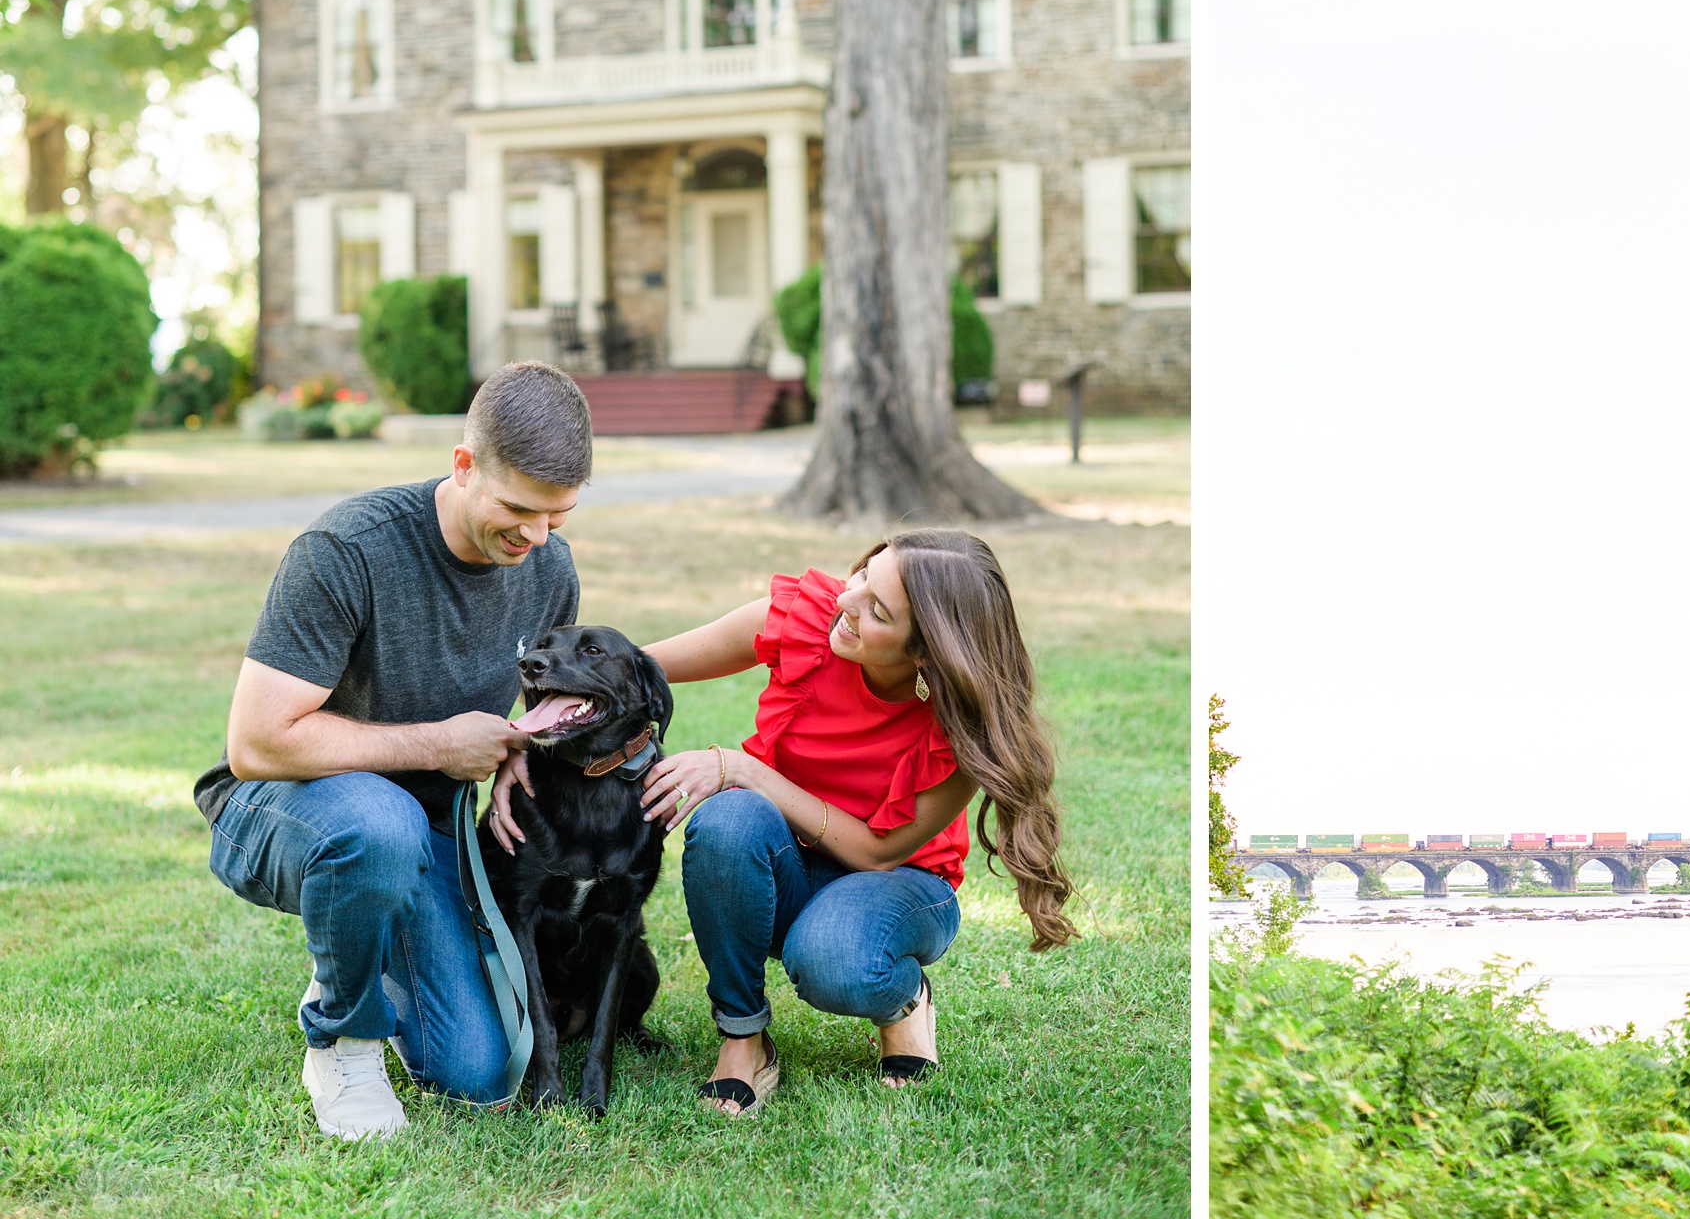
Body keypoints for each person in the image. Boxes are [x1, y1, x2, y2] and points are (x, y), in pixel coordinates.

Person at [492, 529, 1075, 1114]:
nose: (845, 604)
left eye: (876, 610)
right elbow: (627, 673)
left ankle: (903, 1000)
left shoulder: (966, 725)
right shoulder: (806, 617)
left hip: (894, 884)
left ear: (927, 652)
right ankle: (743, 1037)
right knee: (727, 819)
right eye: (862, 576)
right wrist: (532, 730)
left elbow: (877, 852)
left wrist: (748, 770)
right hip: (782, 861)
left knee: (833, 961)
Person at [191, 361, 592, 1141]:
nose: (536, 537)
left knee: (478, 1073)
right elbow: (256, 743)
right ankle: (342, 1038)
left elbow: (535, 704)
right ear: (464, 465)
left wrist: (521, 750)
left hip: (424, 830)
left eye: (559, 516)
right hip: (288, 809)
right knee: (378, 821)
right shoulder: (347, 549)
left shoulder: (548, 568)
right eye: (517, 509)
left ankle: (360, 935)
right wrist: (440, 743)